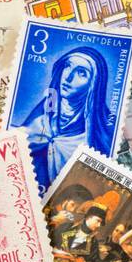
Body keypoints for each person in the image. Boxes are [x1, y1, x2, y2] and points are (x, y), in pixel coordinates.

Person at [22, 47, 114, 189]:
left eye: (81, 73)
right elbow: (25, 142)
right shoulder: (46, 110)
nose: (68, 77)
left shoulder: (102, 130)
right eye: (67, 66)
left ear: (93, 85)